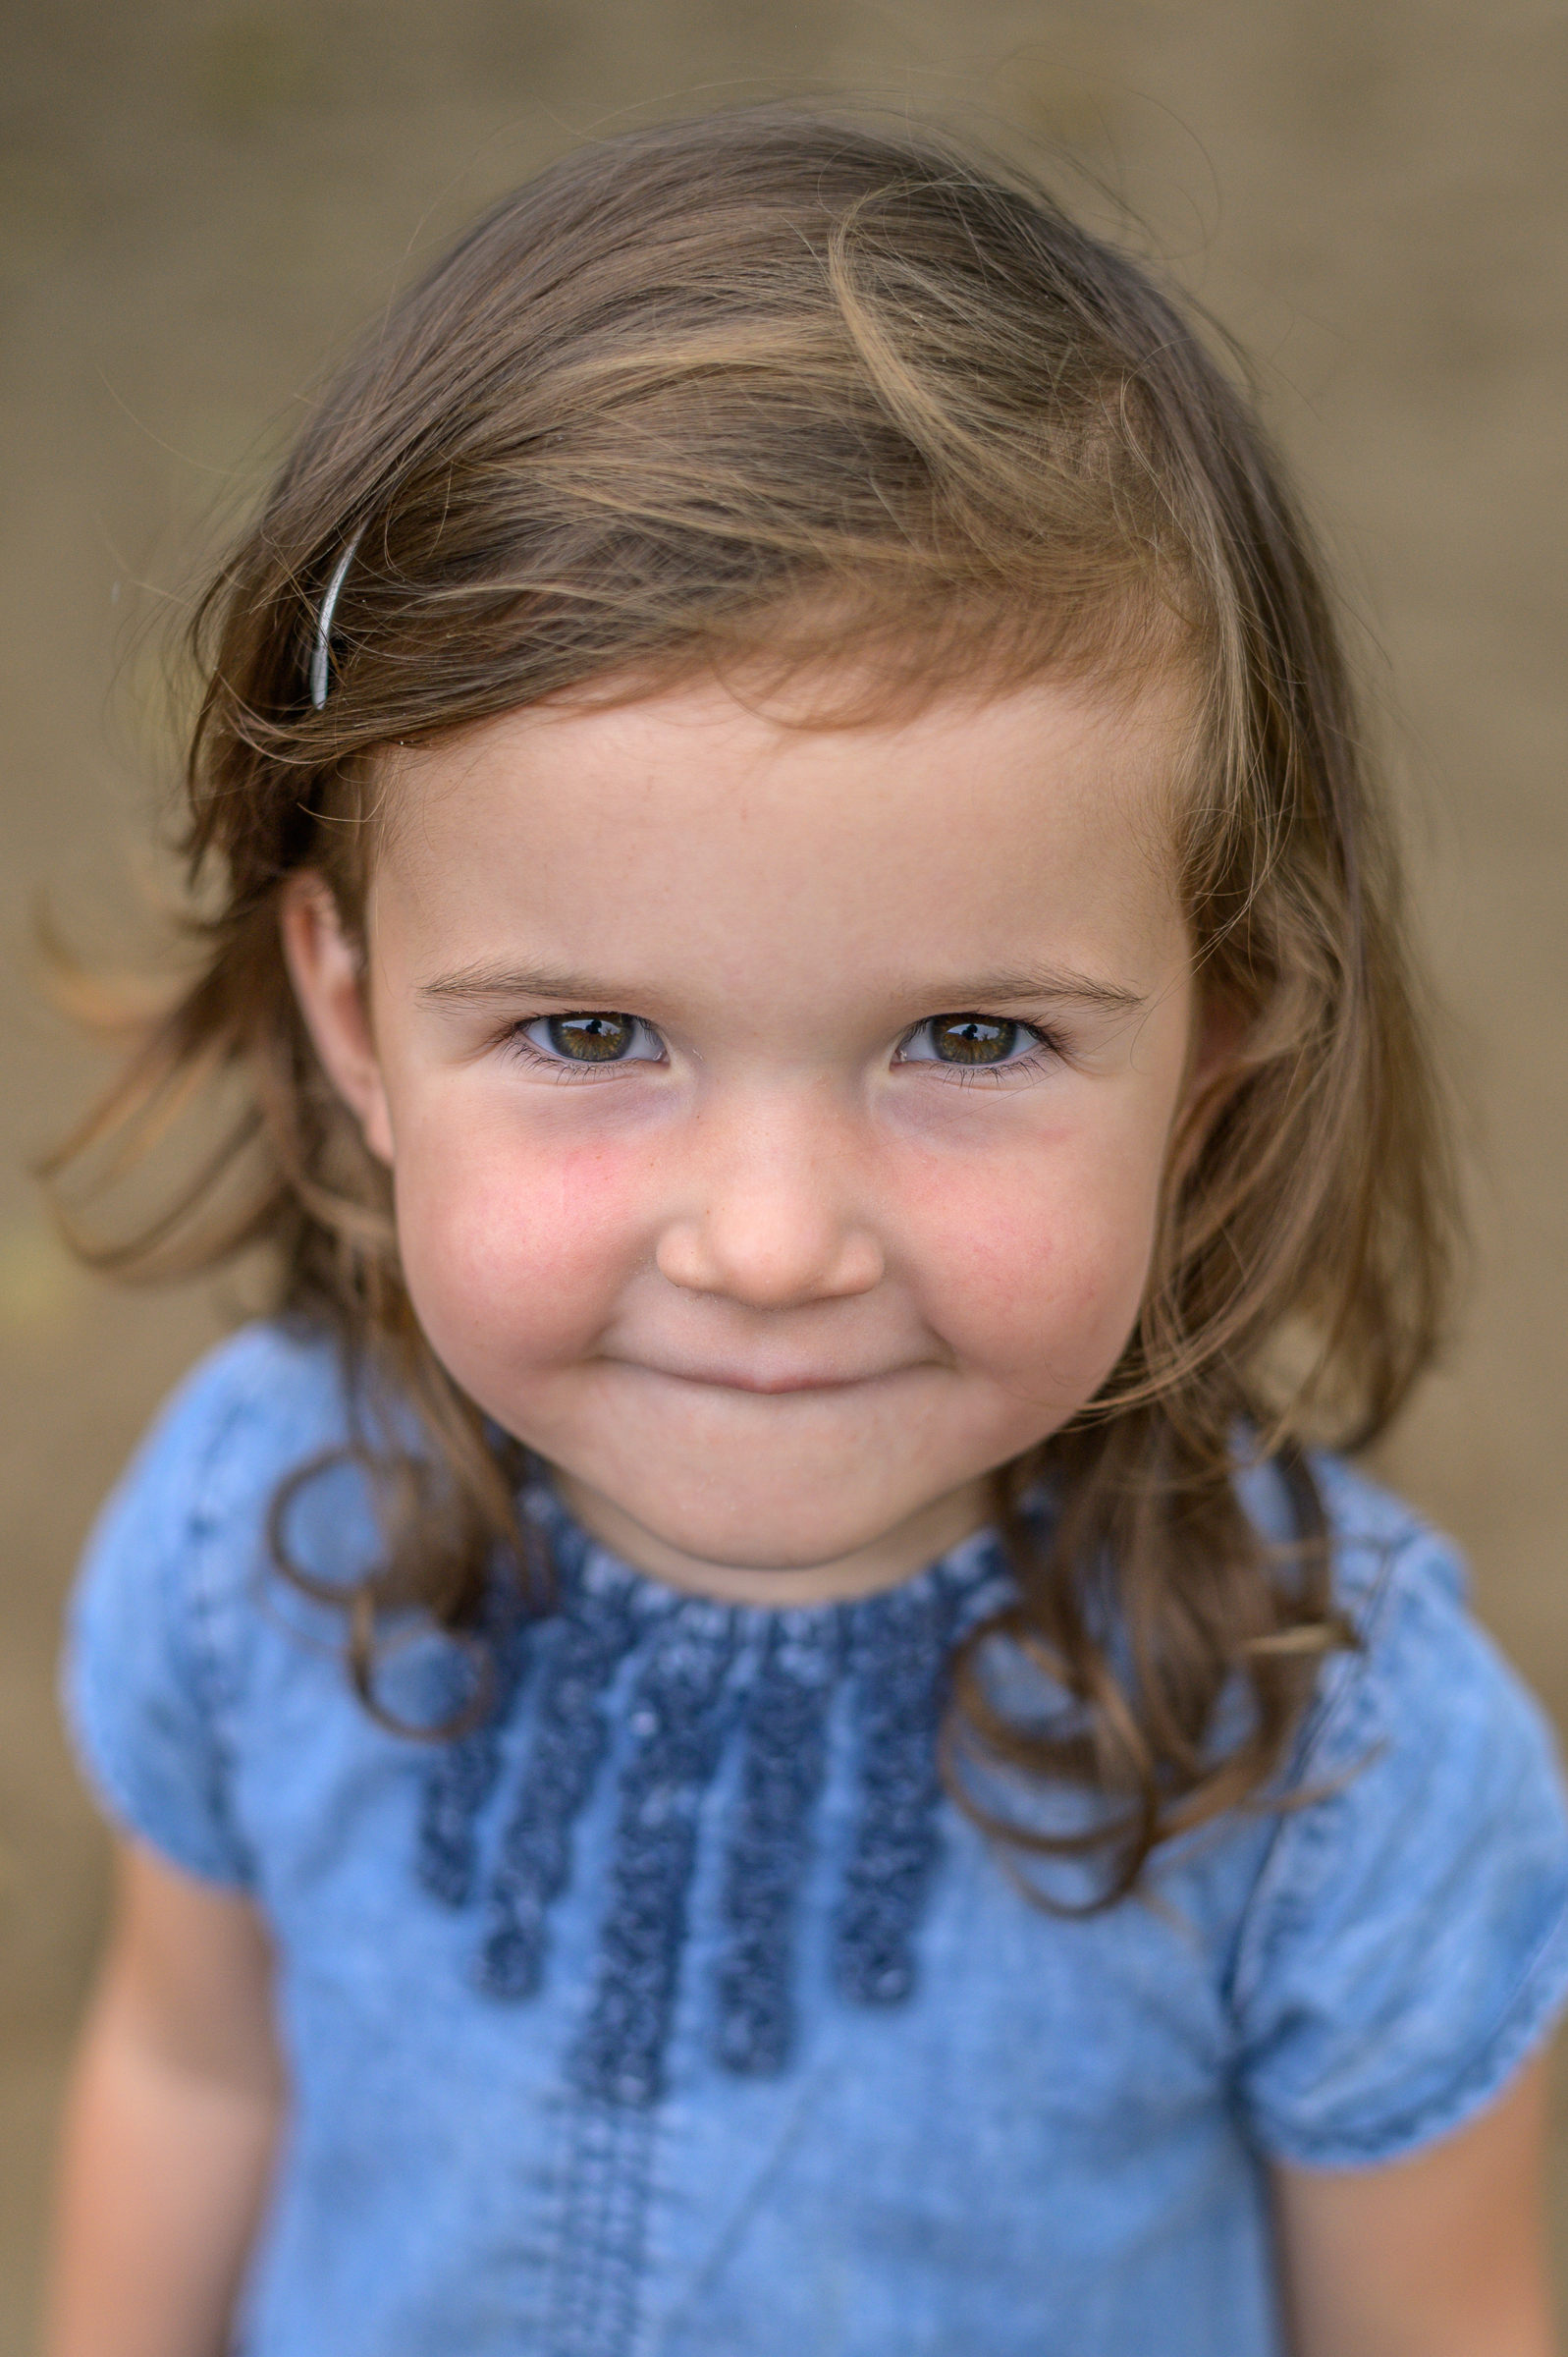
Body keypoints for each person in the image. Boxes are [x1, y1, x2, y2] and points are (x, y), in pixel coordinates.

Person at [41, 107, 1568, 2357]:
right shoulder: (254, 1539)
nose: (768, 1243)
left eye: (965, 1034)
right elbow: (191, 2064)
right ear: (353, 1016)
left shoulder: (1334, 1761)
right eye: (587, 1031)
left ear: (1217, 1031)